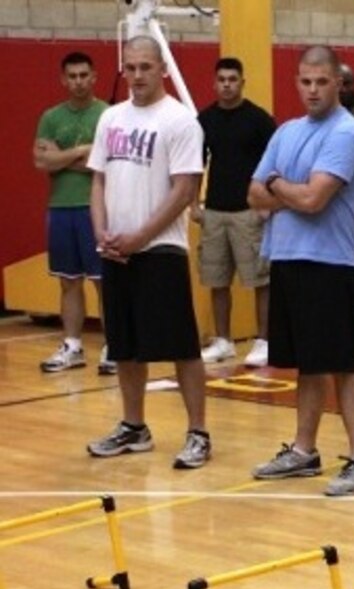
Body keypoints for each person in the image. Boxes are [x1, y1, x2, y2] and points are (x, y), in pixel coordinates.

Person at [248, 45, 354, 497]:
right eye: (306, 81)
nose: (313, 90)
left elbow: (313, 199)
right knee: (309, 365)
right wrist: (286, 190)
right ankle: (304, 450)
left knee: (343, 365)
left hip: (331, 263)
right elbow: (253, 195)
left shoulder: (346, 133)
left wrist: (276, 184)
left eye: (322, 82)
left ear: (338, 83)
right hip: (287, 258)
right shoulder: (287, 131)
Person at [85, 36, 210, 468]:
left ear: (162, 70)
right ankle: (134, 426)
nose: (137, 75)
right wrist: (102, 232)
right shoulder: (111, 117)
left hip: (160, 249)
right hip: (116, 250)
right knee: (123, 345)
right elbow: (98, 180)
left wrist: (140, 236)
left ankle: (198, 432)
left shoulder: (180, 120)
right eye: (131, 67)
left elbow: (184, 190)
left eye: (145, 67)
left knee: (182, 345)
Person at [33, 51, 114, 375]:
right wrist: (82, 151)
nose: (78, 81)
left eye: (84, 75)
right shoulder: (51, 117)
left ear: (94, 77)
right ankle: (72, 346)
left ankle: (114, 346)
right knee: (68, 281)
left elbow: (106, 163)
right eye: (72, 76)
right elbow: (42, 161)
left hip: (96, 209)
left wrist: (62, 157)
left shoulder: (108, 115)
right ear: (63, 80)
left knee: (103, 282)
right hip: (60, 209)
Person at [195, 57, 277, 368]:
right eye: (222, 80)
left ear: (242, 82)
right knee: (216, 279)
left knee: (260, 280)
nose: (227, 85)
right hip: (214, 211)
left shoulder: (259, 119)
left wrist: (267, 204)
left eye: (232, 79)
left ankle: (264, 341)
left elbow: (275, 162)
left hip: (249, 212)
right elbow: (195, 164)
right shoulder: (205, 119)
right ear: (214, 83)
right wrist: (193, 205)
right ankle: (223, 341)